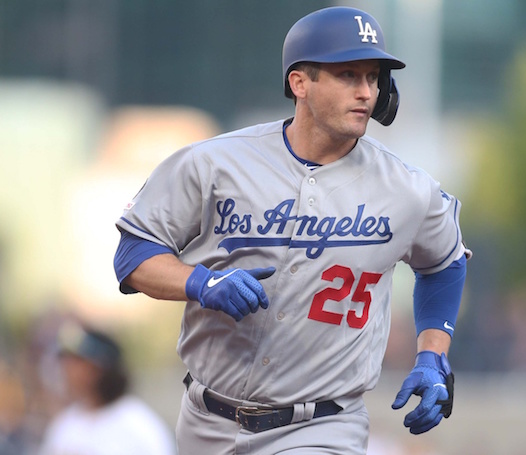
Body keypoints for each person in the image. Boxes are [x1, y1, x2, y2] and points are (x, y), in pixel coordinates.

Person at [113, 6, 471, 454]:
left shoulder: (407, 190)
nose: (366, 92)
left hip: (322, 426)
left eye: (374, 77)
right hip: (205, 421)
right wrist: (200, 282)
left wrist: (433, 354)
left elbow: (445, 263)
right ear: (299, 82)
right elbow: (132, 257)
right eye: (348, 75)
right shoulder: (214, 163)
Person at [38, 320, 176, 455]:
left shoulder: (141, 428)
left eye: (76, 362)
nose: (66, 370)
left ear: (98, 369)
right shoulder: (64, 425)